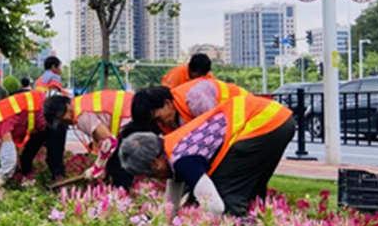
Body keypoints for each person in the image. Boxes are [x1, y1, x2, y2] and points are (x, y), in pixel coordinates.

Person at [119, 93, 295, 217]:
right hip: (276, 118)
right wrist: (166, 222)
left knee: (227, 195)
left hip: (263, 123)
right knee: (251, 191)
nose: (158, 179)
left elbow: (215, 207)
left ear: (155, 164)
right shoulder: (170, 145)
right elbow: (173, 195)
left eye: (153, 176)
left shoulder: (183, 160)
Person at [0, 91, 63, 188]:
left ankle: (61, 184)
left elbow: (9, 156)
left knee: (54, 159)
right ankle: (29, 182)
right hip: (42, 123)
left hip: (55, 115)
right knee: (26, 158)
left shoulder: (0, 119)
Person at [43, 90, 133, 185]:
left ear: (67, 106)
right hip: (134, 110)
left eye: (61, 118)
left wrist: (96, 168)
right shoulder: (79, 104)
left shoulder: (81, 115)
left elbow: (110, 142)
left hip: (131, 116)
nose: (64, 123)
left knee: (119, 169)